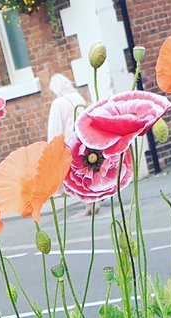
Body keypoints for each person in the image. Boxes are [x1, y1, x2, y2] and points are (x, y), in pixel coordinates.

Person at [46, 73, 96, 216]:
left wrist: (52, 148)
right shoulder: (78, 97)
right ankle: (92, 201)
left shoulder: (58, 103)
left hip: (69, 144)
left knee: (74, 176)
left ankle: (88, 202)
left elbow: (55, 129)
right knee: (84, 172)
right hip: (83, 140)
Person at [46, 73, 84, 142]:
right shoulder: (78, 97)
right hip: (83, 142)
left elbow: (54, 132)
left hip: (69, 146)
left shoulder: (58, 103)